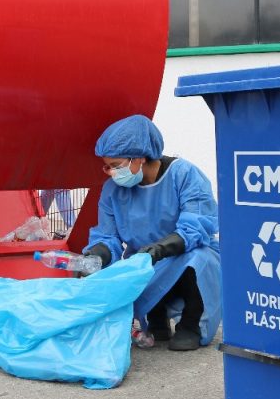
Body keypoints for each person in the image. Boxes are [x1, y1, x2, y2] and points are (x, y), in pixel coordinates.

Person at [83, 114, 221, 351]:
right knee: (137, 265)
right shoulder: (112, 191)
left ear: (140, 157)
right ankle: (157, 320)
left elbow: (196, 226)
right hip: (145, 261)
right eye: (107, 167)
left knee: (198, 259)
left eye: (116, 165)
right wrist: (96, 255)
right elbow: (107, 236)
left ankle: (191, 325)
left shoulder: (184, 175)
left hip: (184, 256)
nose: (112, 173)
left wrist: (159, 249)